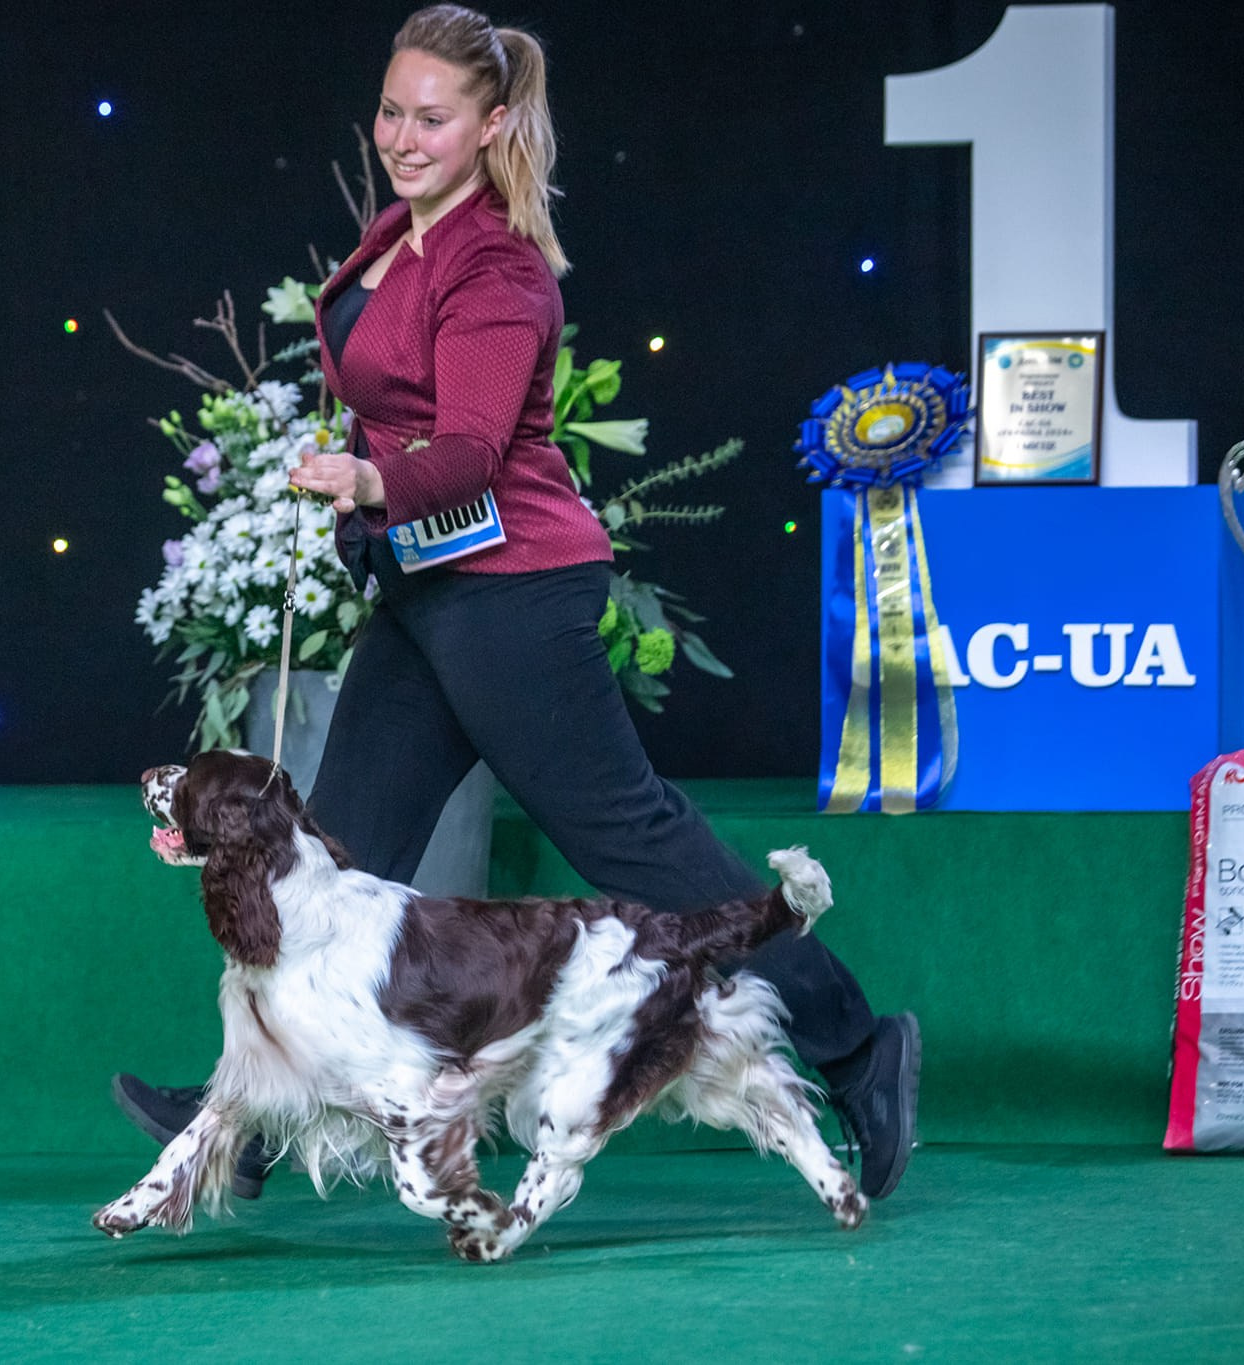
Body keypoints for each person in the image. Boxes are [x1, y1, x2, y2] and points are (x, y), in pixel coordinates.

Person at [114, 2, 919, 1203]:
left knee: (633, 842)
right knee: (342, 839)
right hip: (431, 584)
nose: (401, 134)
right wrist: (370, 502)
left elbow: (477, 450)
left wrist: (373, 478)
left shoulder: (495, 267)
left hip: (512, 591)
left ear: (493, 126)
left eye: (431, 117)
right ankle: (249, 1117)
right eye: (391, 109)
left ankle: (858, 1048)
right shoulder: (401, 231)